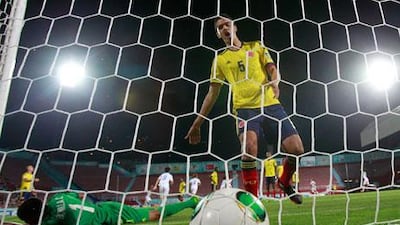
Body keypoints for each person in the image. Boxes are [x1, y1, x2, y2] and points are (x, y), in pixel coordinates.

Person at [185, 15, 304, 204]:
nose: (225, 28)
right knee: (248, 149)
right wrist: (197, 123)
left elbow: (272, 68)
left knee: (296, 149)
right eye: (220, 27)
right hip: (245, 109)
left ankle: (284, 181)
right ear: (218, 34)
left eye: (227, 24)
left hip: (271, 104)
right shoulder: (221, 59)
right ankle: (253, 202)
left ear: (235, 27)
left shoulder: (256, 46)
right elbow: (212, 93)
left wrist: (275, 81)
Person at [17, 192, 199, 225]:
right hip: (103, 207)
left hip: (115, 215)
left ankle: (192, 202)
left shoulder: (58, 221)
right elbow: (79, 196)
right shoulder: (57, 197)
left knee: (156, 214)